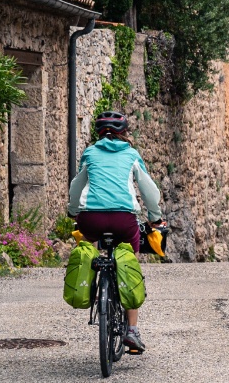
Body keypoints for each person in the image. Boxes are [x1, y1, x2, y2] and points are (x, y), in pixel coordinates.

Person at [67, 111, 165, 354]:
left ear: (99, 133)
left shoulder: (90, 153)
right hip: (124, 220)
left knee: (89, 249)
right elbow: (149, 190)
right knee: (128, 261)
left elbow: (77, 185)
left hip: (91, 219)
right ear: (124, 133)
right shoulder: (131, 155)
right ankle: (132, 331)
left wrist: (73, 211)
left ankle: (91, 286)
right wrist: (155, 218)